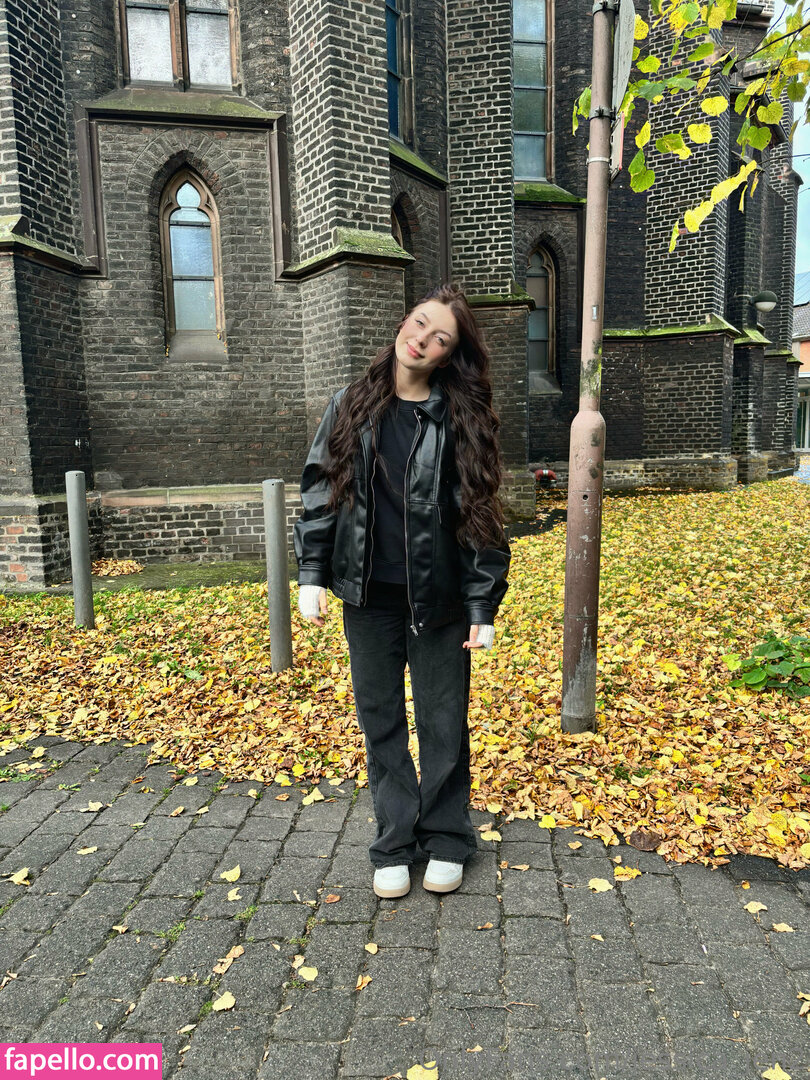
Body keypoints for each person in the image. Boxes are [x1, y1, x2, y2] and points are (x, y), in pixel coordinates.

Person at [293, 283, 510, 899]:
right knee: (380, 720)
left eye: (440, 338)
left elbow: (480, 512)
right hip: (368, 597)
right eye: (419, 323)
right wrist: (312, 573)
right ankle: (393, 842)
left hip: (438, 600)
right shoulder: (350, 405)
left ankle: (445, 837)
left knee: (443, 722)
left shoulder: (460, 418)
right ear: (402, 324)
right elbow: (321, 490)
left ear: (448, 355)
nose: (422, 340)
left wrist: (482, 603)